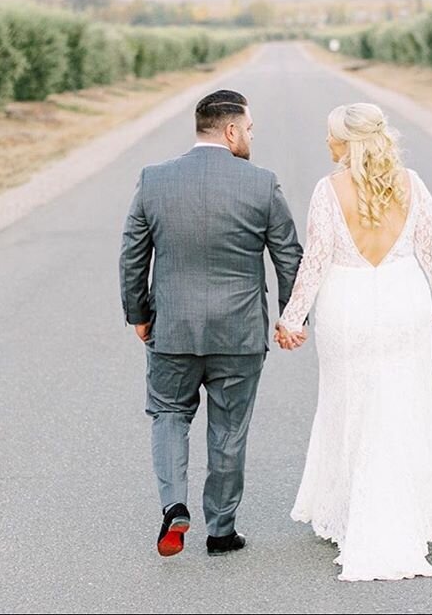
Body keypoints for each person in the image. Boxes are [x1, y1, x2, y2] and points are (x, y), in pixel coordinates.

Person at [275, 102, 432, 581]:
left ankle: (360, 512)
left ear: (349, 142)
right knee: (407, 403)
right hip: (406, 304)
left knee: (350, 405)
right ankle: (407, 511)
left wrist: (292, 318)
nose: (326, 143)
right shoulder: (413, 184)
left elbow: (315, 261)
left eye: (332, 136)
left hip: (349, 307)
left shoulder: (329, 190)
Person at [119, 89, 304, 557]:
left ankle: (174, 506)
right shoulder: (261, 184)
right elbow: (289, 256)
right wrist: (291, 316)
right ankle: (221, 531)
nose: (251, 135)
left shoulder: (154, 179)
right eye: (249, 127)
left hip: (173, 329)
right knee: (228, 429)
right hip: (238, 334)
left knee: (168, 413)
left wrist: (138, 313)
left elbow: (132, 255)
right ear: (231, 130)